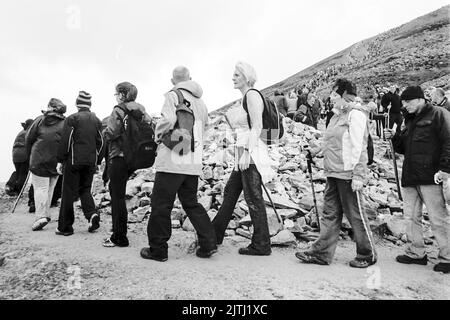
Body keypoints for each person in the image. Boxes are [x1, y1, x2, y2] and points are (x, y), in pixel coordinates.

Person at [295, 78, 377, 268]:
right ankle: (321, 253)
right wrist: (315, 151)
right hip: (332, 172)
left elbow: (360, 147)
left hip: (348, 174)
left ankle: (367, 253)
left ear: (344, 96)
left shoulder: (355, 115)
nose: (330, 98)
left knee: (355, 214)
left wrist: (358, 175)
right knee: (330, 213)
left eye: (334, 94)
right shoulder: (336, 115)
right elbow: (330, 141)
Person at [140, 66, 216, 262]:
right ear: (190, 78)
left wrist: (158, 135)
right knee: (191, 203)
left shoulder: (173, 95)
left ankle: (158, 250)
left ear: (173, 81)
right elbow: (204, 129)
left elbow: (167, 120)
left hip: (173, 160)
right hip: (193, 161)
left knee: (161, 205)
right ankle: (208, 243)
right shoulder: (201, 102)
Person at [384, 86, 450, 274]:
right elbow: (404, 148)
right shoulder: (409, 119)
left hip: (431, 176)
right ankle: (416, 252)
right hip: (411, 175)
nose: (405, 105)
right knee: (411, 217)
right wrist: (395, 137)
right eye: (403, 102)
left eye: (408, 101)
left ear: (421, 99)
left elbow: (449, 141)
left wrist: (446, 169)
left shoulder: (439, 114)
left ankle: (447, 257)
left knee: (438, 218)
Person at [212, 61, 275, 256]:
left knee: (253, 197)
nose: (233, 78)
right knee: (231, 191)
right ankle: (214, 234)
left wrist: (247, 153)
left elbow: (257, 126)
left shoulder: (252, 95)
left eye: (237, 75)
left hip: (252, 154)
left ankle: (262, 244)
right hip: (244, 152)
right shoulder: (245, 98)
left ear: (246, 77)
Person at [102, 82, 152, 247]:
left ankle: (119, 237)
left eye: (117, 93)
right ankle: (119, 232)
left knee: (117, 197)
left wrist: (104, 131)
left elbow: (112, 132)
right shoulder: (142, 110)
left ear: (122, 95)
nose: (116, 97)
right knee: (119, 195)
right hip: (134, 158)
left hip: (119, 156)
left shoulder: (119, 110)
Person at [55, 91, 104, 236]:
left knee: (68, 193)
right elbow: (101, 143)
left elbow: (66, 141)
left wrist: (60, 160)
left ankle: (65, 227)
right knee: (85, 189)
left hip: (73, 161)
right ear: (89, 105)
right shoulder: (97, 120)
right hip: (90, 162)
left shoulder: (72, 119)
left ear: (77, 104)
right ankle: (92, 214)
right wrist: (98, 161)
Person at [25, 99, 66, 231]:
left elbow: (28, 138)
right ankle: (46, 214)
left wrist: (30, 154)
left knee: (40, 189)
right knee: (50, 189)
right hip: (56, 161)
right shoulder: (64, 123)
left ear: (50, 107)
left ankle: (40, 216)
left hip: (38, 158)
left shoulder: (40, 120)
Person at [5, 119, 34, 197]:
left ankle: (9, 185)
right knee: (23, 173)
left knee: (18, 171)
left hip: (15, 156)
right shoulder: (29, 133)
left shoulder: (21, 132)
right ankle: (18, 191)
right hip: (24, 156)